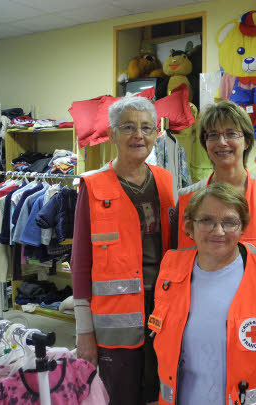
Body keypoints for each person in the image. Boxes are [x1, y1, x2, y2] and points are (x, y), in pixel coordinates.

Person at [148, 182, 256, 405]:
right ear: (189, 227)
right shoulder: (169, 269)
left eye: (229, 222)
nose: (218, 231)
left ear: (243, 228)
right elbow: (154, 338)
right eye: (206, 221)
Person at [71, 96, 174, 405]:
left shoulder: (166, 181)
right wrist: (84, 331)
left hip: (164, 314)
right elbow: (80, 263)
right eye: (128, 127)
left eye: (146, 127)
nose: (138, 135)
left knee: (160, 394)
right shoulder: (92, 186)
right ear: (112, 134)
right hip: (114, 327)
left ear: (156, 134)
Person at [173, 100, 256, 255]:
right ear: (205, 143)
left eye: (231, 134)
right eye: (213, 135)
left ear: (247, 141)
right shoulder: (186, 199)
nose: (222, 142)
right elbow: (174, 261)